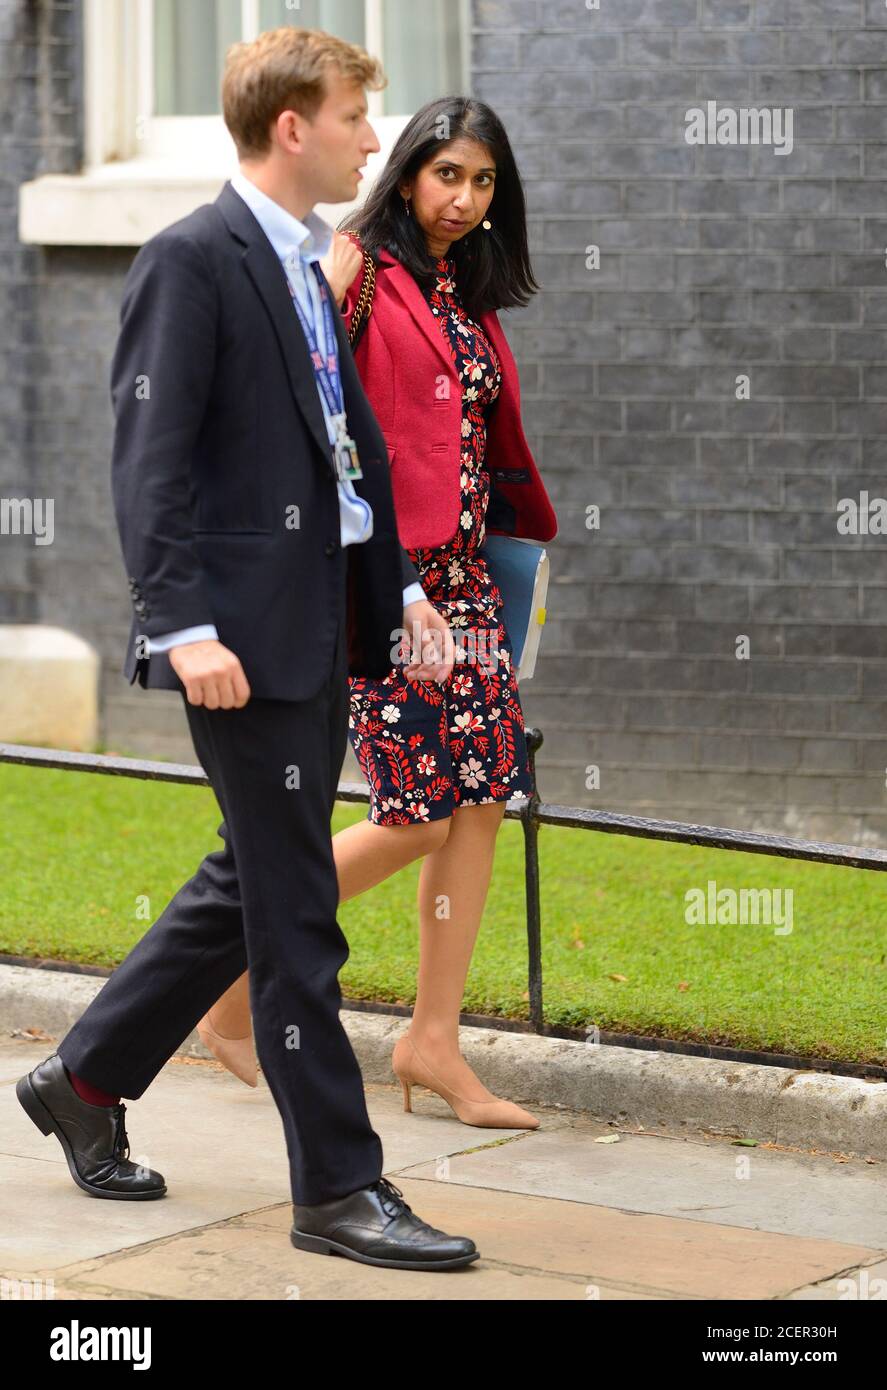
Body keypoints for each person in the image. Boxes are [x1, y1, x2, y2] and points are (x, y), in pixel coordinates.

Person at [15, 27, 481, 1273]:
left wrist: (391, 601)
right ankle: (336, 1186)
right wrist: (181, 622)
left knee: (252, 880)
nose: (371, 141)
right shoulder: (193, 259)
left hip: (313, 621)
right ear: (292, 127)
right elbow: (148, 460)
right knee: (297, 916)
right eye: (352, 117)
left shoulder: (309, 263)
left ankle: (86, 1075)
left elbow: (339, 449)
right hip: (237, 640)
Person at [194, 95, 558, 1130]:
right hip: (381, 584)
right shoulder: (354, 268)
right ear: (404, 175)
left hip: (470, 585)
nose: (462, 197)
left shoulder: (466, 292)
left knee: (485, 792)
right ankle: (223, 991)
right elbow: (305, 405)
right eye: (445, 174)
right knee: (416, 813)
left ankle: (432, 1040)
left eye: (482, 181)